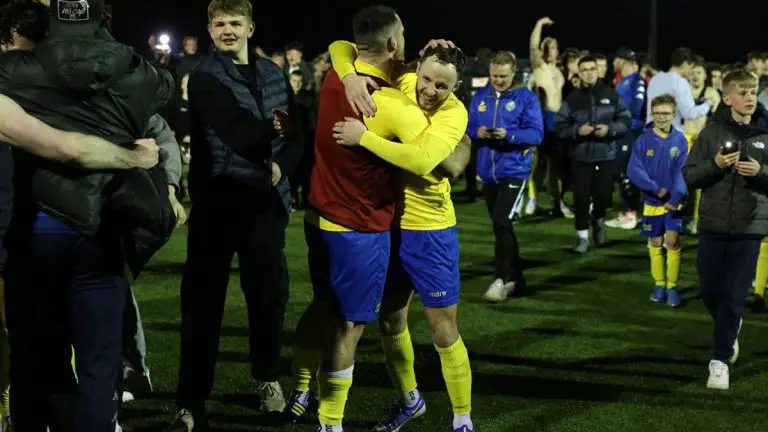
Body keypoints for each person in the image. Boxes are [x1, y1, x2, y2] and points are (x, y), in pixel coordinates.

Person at [287, 6, 465, 432]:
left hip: (318, 217)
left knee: (328, 308)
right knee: (349, 326)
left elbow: (340, 47)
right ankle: (330, 423)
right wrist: (462, 148)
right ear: (392, 43)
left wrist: (348, 71)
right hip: (359, 228)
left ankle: (300, 388)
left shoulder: (335, 78)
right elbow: (438, 160)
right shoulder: (386, 101)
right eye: (402, 36)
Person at [0, 0, 175, 430]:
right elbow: (161, 89)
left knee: (34, 359)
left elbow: (64, 147)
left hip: (35, 229)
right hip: (101, 229)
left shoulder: (16, 71)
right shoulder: (134, 72)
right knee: (98, 362)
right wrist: (134, 160)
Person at [167, 0, 303, 429]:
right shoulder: (204, 78)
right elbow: (238, 131)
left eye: (235, 23)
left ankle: (267, 382)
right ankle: (191, 402)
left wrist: (285, 164)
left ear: (250, 27)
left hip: (265, 206)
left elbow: (297, 134)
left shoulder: (273, 73)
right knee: (202, 307)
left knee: (268, 301)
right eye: (220, 23)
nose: (228, 30)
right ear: (209, 30)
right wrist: (277, 137)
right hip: (218, 205)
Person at [682, 70, 768, 390]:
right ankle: (729, 328)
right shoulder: (711, 133)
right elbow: (690, 176)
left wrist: (761, 173)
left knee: (733, 295)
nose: (749, 98)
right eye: (742, 93)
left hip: (749, 227)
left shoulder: (767, 133)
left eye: (753, 92)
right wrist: (715, 165)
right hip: (713, 225)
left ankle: (719, 361)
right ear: (727, 97)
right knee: (710, 292)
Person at [468, 50, 544, 301]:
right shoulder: (480, 96)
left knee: (502, 220)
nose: (498, 80)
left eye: (503, 76)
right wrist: (477, 131)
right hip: (488, 173)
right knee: (502, 226)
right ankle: (518, 280)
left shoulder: (526, 98)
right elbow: (466, 127)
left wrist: (509, 135)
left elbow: (536, 135)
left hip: (515, 169)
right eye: (494, 75)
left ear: (514, 73)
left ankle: (500, 279)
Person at [555, 55, 631, 253]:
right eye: (585, 70)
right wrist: (577, 131)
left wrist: (610, 129)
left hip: (606, 155)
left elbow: (626, 120)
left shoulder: (611, 94)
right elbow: (560, 126)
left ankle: (598, 219)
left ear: (598, 71)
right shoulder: (572, 99)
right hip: (580, 157)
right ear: (579, 74)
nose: (589, 73)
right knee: (580, 198)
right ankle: (582, 238)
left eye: (592, 69)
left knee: (604, 197)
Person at [627, 94, 688, 308]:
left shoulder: (680, 139)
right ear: (652, 114)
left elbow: (683, 171)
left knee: (672, 241)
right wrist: (655, 188)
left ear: (673, 114)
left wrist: (676, 195)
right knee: (655, 242)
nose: (662, 118)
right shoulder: (643, 140)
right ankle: (659, 284)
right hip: (652, 201)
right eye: (658, 113)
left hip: (674, 201)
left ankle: (672, 286)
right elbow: (634, 170)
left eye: (666, 113)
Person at [526, 17, 572, 218]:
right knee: (541, 163)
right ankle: (533, 200)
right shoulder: (540, 67)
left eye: (554, 47)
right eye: (549, 47)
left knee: (556, 165)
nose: (552, 50)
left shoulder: (558, 70)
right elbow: (533, 45)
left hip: (557, 118)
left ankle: (557, 202)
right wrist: (539, 24)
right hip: (544, 117)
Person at [606, 47, 646, 231]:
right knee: (621, 172)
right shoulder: (622, 82)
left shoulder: (637, 80)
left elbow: (637, 106)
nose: (613, 63)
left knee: (626, 172)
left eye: (615, 59)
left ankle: (633, 213)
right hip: (622, 132)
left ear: (623, 61)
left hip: (631, 132)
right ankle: (628, 212)